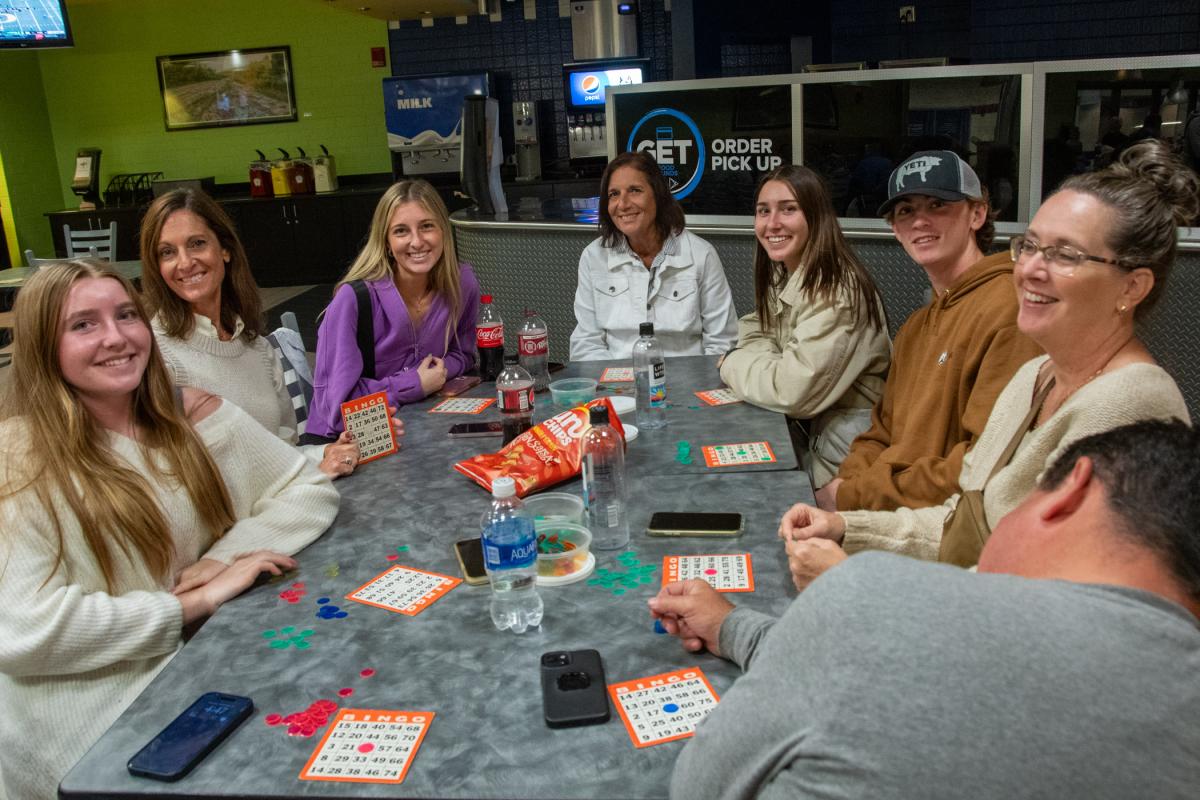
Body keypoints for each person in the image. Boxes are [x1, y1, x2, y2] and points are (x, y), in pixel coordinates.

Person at [651, 420, 1200, 800]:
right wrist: (732, 627)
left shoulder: (871, 592)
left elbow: (698, 785)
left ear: (1069, 491)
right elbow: (898, 664)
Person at [783, 140, 1195, 586]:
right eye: (1031, 246)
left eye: (1066, 254)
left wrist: (858, 583)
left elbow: (1042, 598)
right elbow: (967, 522)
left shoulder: (1132, 410)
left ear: (1132, 288)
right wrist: (849, 526)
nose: (1031, 269)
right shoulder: (1034, 378)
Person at [0, 261, 340, 800]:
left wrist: (227, 557)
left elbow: (306, 487)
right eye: (83, 324)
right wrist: (190, 605)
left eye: (126, 315)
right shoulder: (18, 458)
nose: (116, 338)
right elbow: (23, 631)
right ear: (45, 346)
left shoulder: (190, 418)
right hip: (81, 733)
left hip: (181, 678)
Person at [818, 149, 1042, 512]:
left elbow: (982, 465)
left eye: (937, 204)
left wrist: (850, 496)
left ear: (977, 213)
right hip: (882, 510)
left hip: (945, 527)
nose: (920, 221)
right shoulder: (915, 327)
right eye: (906, 211)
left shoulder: (1011, 310)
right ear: (895, 228)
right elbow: (881, 432)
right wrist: (846, 486)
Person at [140, 188, 369, 479]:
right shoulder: (154, 359)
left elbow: (281, 451)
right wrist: (315, 475)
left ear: (225, 249)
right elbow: (184, 489)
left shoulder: (257, 348)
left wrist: (325, 453)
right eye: (167, 252)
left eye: (197, 244)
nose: (185, 263)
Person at [719, 165, 891, 487]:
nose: (772, 224)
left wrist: (732, 363)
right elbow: (755, 327)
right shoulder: (787, 269)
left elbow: (791, 391)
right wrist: (771, 362)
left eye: (788, 209)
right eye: (763, 211)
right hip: (804, 437)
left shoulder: (837, 290)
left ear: (815, 216)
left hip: (842, 463)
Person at [307, 179, 480, 438]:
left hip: (415, 428)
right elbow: (338, 408)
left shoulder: (461, 283)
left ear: (443, 230)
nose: (417, 241)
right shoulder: (353, 300)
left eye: (427, 226)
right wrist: (414, 384)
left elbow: (465, 355)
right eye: (401, 231)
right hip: (344, 442)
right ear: (386, 241)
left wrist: (439, 370)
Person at [570, 151, 738, 360]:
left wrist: (694, 385)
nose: (623, 204)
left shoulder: (702, 255)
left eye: (635, 190)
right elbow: (586, 344)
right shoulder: (593, 257)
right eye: (614, 194)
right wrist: (617, 386)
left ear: (658, 195)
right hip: (617, 385)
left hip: (688, 383)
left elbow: (722, 344)